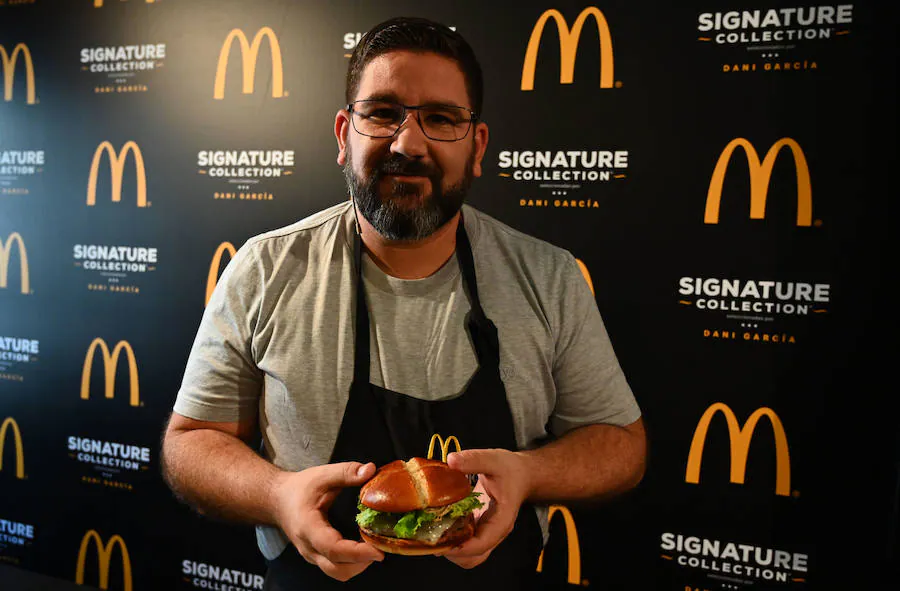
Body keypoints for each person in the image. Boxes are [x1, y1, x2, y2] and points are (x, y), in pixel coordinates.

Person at [161, 16, 646, 590]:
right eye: (383, 113)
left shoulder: (547, 276)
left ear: (477, 145)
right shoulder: (264, 269)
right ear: (344, 135)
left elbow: (620, 444)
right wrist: (278, 495)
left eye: (441, 119)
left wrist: (528, 475)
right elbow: (190, 443)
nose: (408, 143)